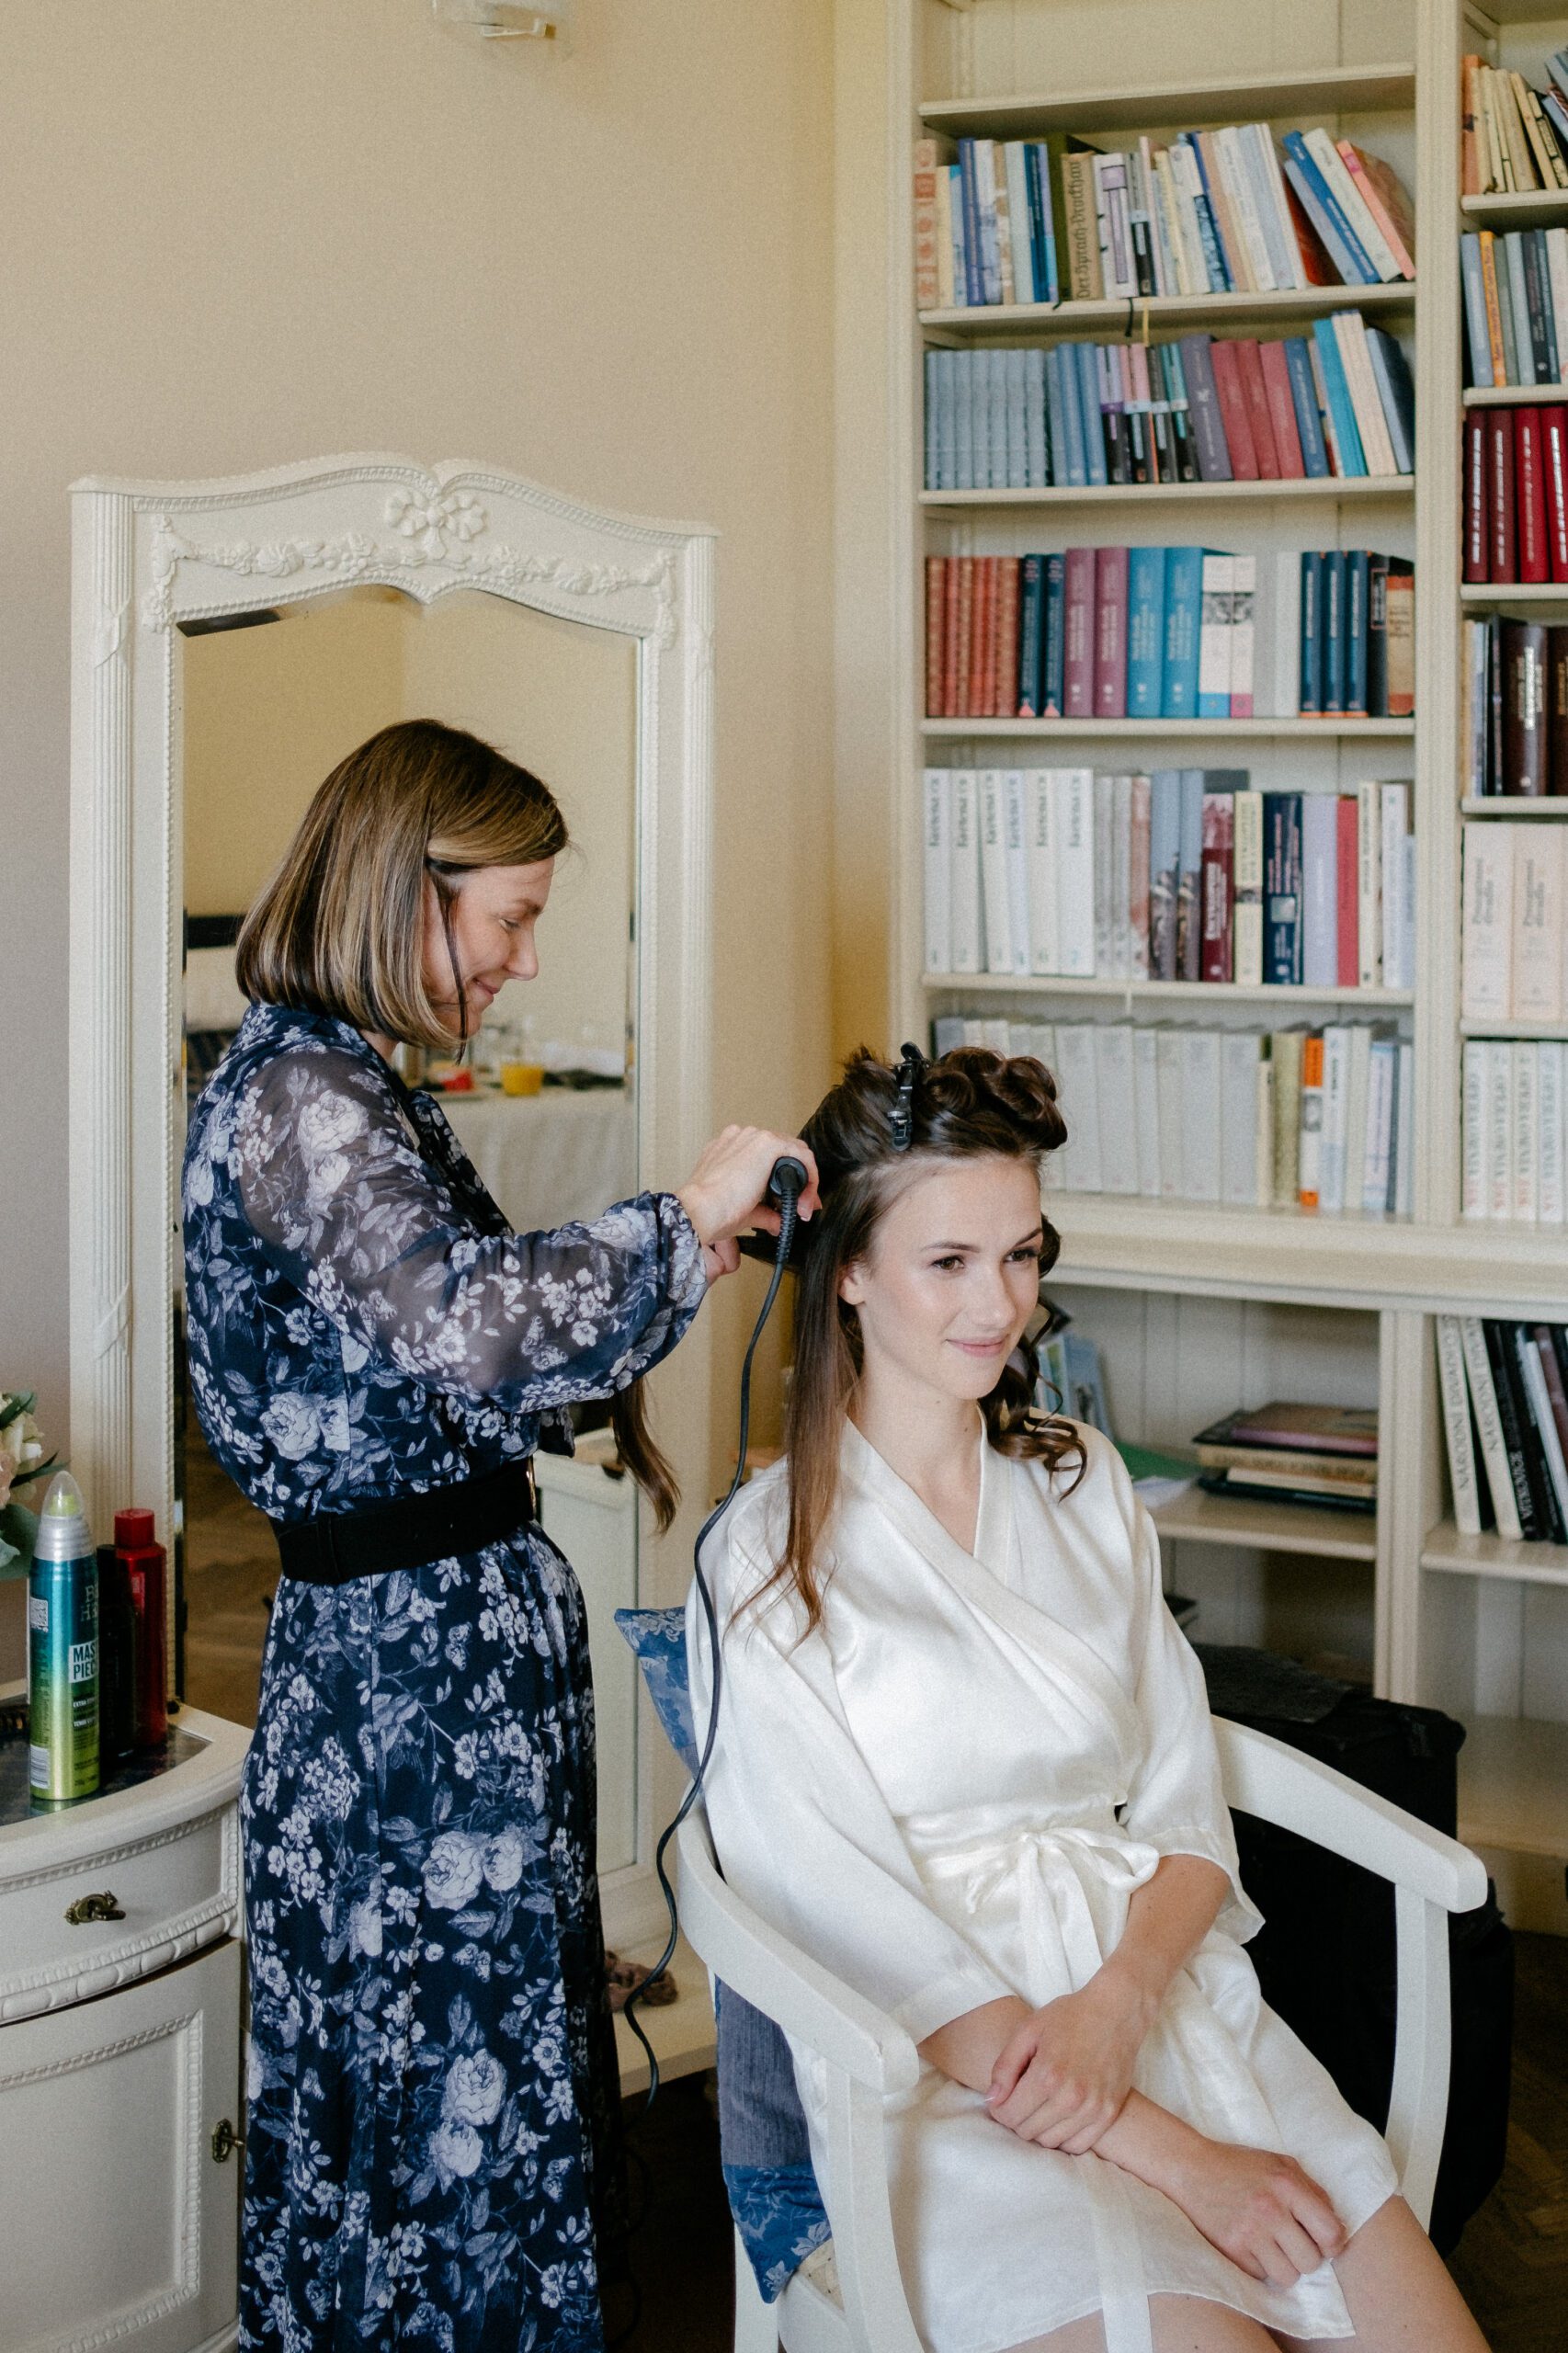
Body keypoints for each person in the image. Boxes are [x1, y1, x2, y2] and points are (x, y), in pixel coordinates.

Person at [689, 1043, 1490, 2353]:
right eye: (949, 1261)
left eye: (1021, 1255)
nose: (998, 1304)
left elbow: (1182, 1807)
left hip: (1159, 2000)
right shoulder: (766, 1557)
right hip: (952, 2074)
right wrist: (1179, 2159)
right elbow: (837, 1909)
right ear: (847, 1273)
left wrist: (1123, 2002)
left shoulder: (1081, 1481)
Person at [181, 718, 818, 2353]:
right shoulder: (309, 1097)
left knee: (461, 2075)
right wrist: (677, 1215)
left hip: (436, 1665)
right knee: (438, 2100)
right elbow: (470, 1330)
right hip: (404, 1694)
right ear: (406, 888)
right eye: (509, 918)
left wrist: (678, 1267)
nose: (519, 962)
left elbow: (448, 1357)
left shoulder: (342, 1088)